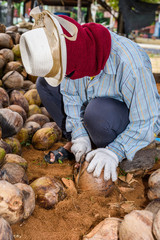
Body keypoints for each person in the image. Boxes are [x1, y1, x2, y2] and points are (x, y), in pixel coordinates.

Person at [20, 7, 160, 182]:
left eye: (66, 72)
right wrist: (79, 135)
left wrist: (115, 151)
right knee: (45, 84)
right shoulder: (74, 49)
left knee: (96, 113)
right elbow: (70, 96)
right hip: (94, 109)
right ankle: (83, 146)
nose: (66, 77)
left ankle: (110, 151)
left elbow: (148, 120)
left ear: (77, 60)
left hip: (125, 119)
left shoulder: (130, 64)